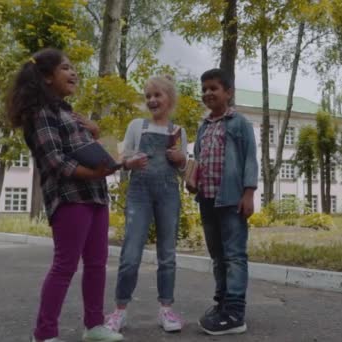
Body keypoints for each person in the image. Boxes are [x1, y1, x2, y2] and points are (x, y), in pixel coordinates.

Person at [6, 48, 123, 342]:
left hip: (96, 194)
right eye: (66, 68)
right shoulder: (40, 113)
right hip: (69, 197)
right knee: (65, 265)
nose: (74, 73)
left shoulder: (70, 113)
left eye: (74, 68)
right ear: (46, 77)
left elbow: (86, 152)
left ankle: (94, 325)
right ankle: (44, 334)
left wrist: (95, 134)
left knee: (97, 262)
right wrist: (94, 173)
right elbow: (56, 160)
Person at [105, 75, 187, 333]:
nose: (152, 100)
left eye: (157, 95)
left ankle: (166, 309)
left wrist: (180, 158)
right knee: (130, 253)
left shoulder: (178, 131)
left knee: (167, 254)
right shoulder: (136, 126)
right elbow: (121, 158)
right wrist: (129, 163)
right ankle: (120, 310)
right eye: (148, 96)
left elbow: (184, 170)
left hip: (168, 192)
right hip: (139, 193)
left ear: (169, 99)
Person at [194, 68, 258, 335]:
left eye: (214, 88)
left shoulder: (239, 123)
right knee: (217, 256)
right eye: (205, 89)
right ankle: (221, 304)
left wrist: (248, 193)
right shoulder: (204, 126)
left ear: (228, 93)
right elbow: (198, 159)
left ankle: (235, 312)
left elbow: (249, 159)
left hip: (231, 200)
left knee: (234, 256)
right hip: (207, 200)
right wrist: (192, 179)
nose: (208, 93)